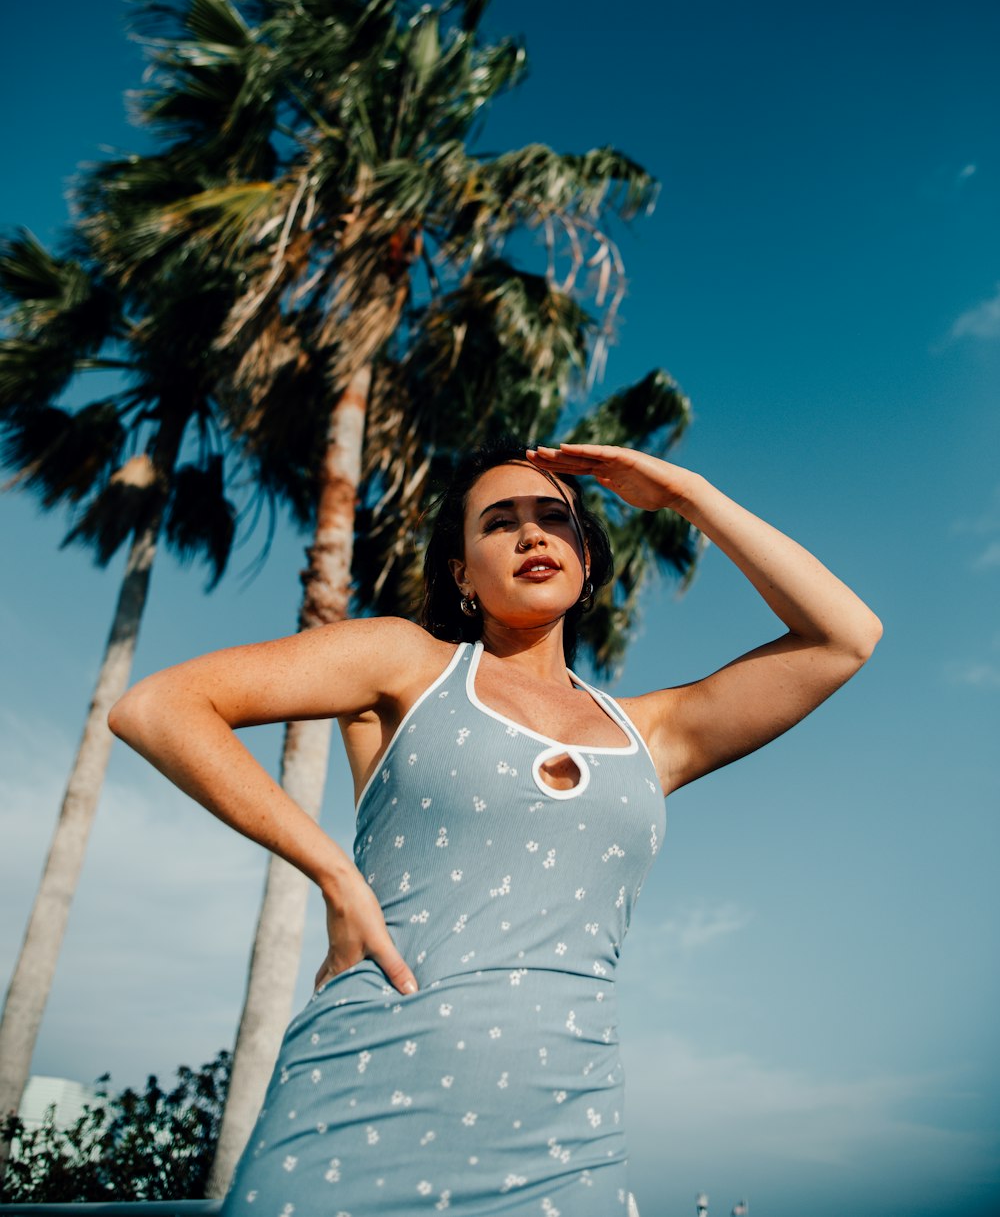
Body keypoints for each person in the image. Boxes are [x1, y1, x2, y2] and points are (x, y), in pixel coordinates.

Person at [108, 439, 881, 1216]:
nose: (533, 535)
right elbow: (160, 707)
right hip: (354, 1100)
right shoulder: (403, 663)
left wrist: (685, 493)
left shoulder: (653, 733)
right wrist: (332, 870)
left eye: (555, 518)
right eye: (499, 523)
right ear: (460, 571)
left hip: (565, 1136)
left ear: (585, 554)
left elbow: (844, 636)